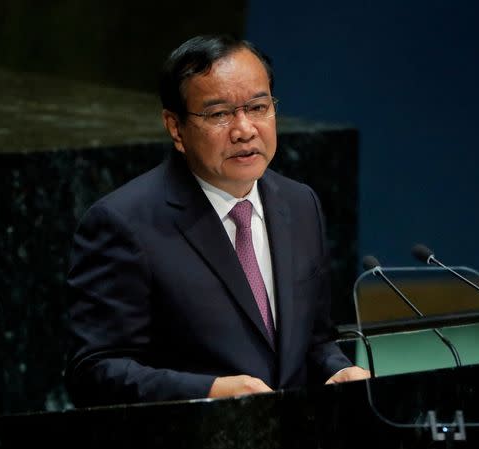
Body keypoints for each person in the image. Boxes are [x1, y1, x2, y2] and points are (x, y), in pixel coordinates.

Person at [65, 34, 370, 406]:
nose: (244, 129)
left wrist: (336, 370)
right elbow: (93, 372)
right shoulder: (124, 224)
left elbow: (315, 339)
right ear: (176, 128)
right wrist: (208, 393)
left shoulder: (300, 204)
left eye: (258, 107)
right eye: (219, 114)